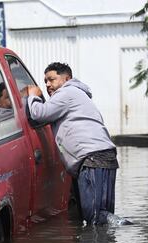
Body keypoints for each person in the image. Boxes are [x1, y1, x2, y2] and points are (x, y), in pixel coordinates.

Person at [25, 62, 127, 226]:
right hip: (104, 156)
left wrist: (33, 96)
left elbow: (39, 114)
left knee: (94, 217)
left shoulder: (67, 93)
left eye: (51, 79)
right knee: (102, 216)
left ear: (67, 78)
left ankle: (126, 227)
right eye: (45, 81)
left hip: (92, 158)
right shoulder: (79, 95)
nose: (47, 85)